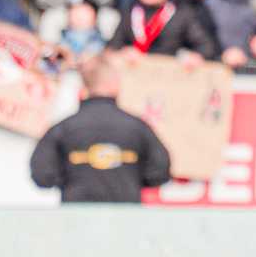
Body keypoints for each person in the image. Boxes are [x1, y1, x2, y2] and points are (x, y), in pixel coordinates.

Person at [30, 53, 171, 203]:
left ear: (83, 88)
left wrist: (71, 179)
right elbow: (160, 171)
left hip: (76, 215)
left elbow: (42, 175)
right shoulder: (138, 128)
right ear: (115, 85)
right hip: (125, 215)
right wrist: (130, 179)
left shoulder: (62, 129)